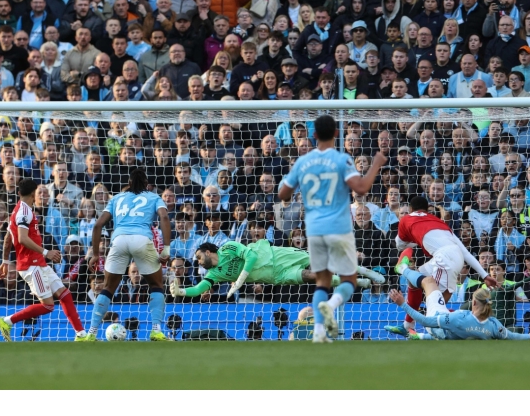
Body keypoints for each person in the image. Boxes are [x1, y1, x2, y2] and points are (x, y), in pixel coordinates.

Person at [278, 114, 388, 343]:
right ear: (337, 134)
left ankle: (319, 332)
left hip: (314, 230)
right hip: (339, 227)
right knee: (349, 279)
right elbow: (362, 187)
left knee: (322, 281)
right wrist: (376, 163)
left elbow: (283, 194)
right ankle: (331, 304)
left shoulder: (303, 162)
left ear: (314, 135)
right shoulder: (341, 160)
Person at [77, 168, 171, 342]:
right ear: (147, 185)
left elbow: (97, 225)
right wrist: (166, 248)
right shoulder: (153, 197)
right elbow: (164, 218)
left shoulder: (117, 198)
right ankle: (156, 330)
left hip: (118, 241)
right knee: (156, 285)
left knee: (108, 288)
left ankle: (90, 333)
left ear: (128, 183)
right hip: (142, 240)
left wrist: (96, 254)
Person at [384, 195, 497, 337]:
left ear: (411, 209)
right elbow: (465, 252)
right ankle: (408, 325)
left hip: (444, 259)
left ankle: (473, 327)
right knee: (415, 280)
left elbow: (400, 245)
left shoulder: (406, 218)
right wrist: (485, 275)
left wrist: (413, 241)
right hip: (453, 257)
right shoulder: (440, 223)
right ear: (426, 210)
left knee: (436, 308)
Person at [0, 178, 87, 342]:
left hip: (39, 263)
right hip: (31, 266)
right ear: (33, 194)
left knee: (64, 294)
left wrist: (4, 259)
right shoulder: (24, 212)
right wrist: (46, 252)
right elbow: (22, 238)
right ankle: (7, 321)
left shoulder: (19, 209)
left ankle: (81, 334)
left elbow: (8, 237)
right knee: (48, 305)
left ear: (18, 193)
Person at [169, 240, 381, 299]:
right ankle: (355, 281)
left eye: (198, 257)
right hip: (274, 275)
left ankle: (362, 271)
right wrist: (181, 292)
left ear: (207, 251)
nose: (198, 262)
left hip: (276, 256)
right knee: (311, 276)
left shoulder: (227, 247)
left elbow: (250, 255)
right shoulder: (214, 274)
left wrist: (241, 280)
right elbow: (198, 289)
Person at [387, 273, 530, 340]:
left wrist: (402, 303)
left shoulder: (460, 317)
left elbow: (427, 322)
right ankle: (415, 336)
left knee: (428, 281)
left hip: (436, 326)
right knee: (446, 294)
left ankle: (402, 269)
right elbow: (512, 336)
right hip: (450, 335)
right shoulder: (494, 325)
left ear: (473, 303)